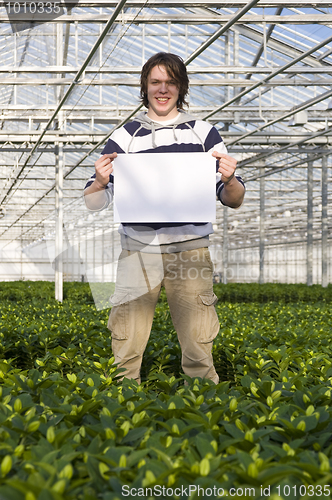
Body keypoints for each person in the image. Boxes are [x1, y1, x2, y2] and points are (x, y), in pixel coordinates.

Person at [84, 52, 245, 385]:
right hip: (138, 251)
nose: (162, 89)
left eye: (170, 82)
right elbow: (93, 203)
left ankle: (203, 408)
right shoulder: (125, 136)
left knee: (198, 338)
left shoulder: (204, 133)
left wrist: (229, 179)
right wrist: (100, 182)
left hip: (190, 250)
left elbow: (234, 199)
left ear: (181, 87)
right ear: (145, 86)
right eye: (155, 81)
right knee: (126, 337)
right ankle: (123, 407)